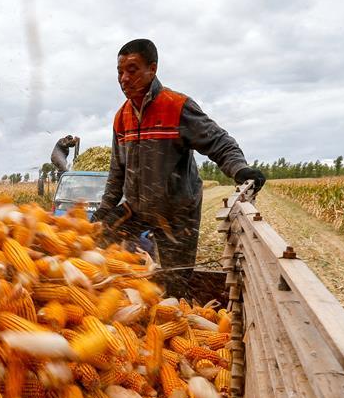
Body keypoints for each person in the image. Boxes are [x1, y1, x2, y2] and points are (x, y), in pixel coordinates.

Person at [92, 39, 265, 296]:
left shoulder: (176, 106)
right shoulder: (122, 117)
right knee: (95, 247)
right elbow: (117, 172)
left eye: (132, 70)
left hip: (176, 212)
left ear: (152, 69)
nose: (124, 78)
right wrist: (103, 213)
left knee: (174, 284)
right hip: (137, 208)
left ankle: (171, 309)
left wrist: (239, 169)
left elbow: (218, 142)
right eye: (120, 72)